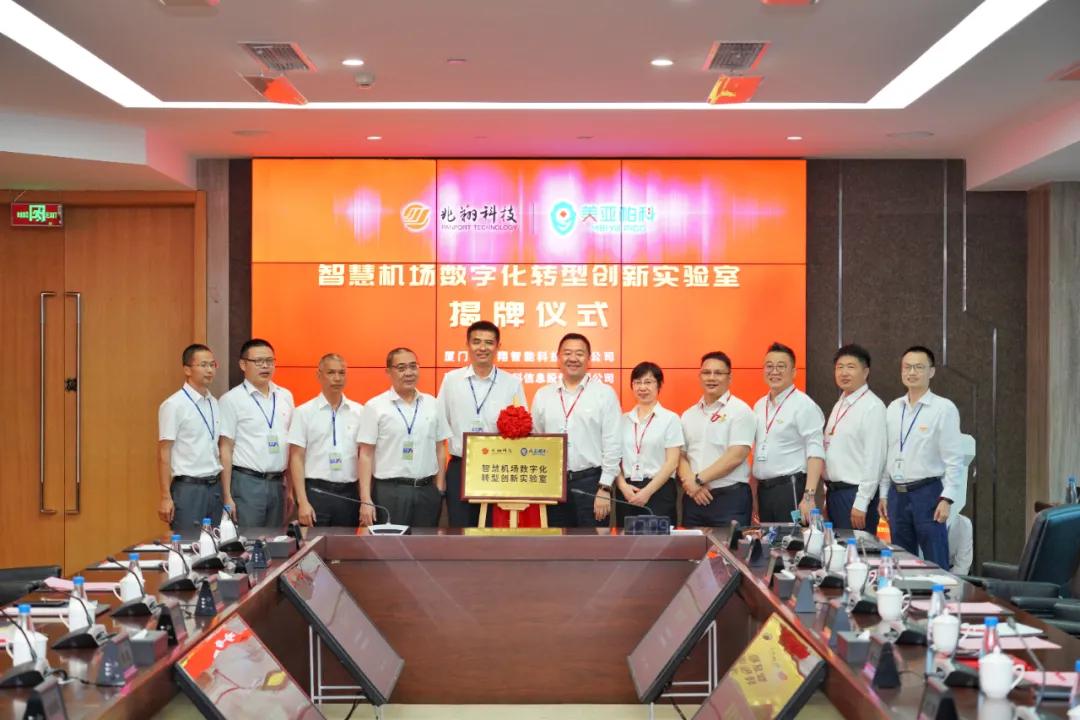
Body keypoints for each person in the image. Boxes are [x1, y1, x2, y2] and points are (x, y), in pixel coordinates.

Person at [880, 345, 964, 569]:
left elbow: (954, 458)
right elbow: (888, 454)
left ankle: (940, 592)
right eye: (907, 367)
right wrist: (883, 493)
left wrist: (947, 499)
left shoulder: (943, 408)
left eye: (919, 367)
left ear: (931, 371)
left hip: (928, 494)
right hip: (897, 495)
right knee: (901, 561)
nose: (912, 372)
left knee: (935, 561)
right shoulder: (893, 408)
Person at [437, 320, 525, 527]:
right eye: (476, 342)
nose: (482, 348)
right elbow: (439, 427)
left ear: (498, 346)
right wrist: (440, 477)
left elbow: (522, 426)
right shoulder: (451, 380)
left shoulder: (511, 383)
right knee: (460, 530)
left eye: (489, 342)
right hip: (460, 466)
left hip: (499, 468)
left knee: (495, 531)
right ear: (467, 345)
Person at [531, 333, 621, 528]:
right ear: (558, 357)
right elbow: (536, 440)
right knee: (556, 542)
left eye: (579, 353)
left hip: (591, 483)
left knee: (593, 543)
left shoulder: (604, 394)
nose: (573, 358)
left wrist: (605, 487)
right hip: (553, 483)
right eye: (567, 353)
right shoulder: (543, 395)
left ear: (589, 359)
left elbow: (613, 443)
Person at [357, 348, 450, 528]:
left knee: (425, 543)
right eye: (401, 368)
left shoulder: (433, 404)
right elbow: (366, 455)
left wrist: (439, 487)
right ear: (388, 371)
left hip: (426, 491)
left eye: (413, 366)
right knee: (391, 544)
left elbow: (440, 447)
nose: (408, 373)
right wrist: (365, 499)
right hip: (390, 492)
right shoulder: (375, 406)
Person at [809, 344, 887, 532]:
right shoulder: (841, 403)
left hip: (855, 496)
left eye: (851, 367)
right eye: (839, 367)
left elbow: (875, 460)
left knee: (856, 549)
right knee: (838, 548)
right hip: (835, 494)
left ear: (865, 372)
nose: (844, 373)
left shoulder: (872, 407)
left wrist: (862, 502)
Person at [219, 338, 295, 529]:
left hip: (278, 483)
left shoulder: (285, 396)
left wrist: (290, 490)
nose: (265, 366)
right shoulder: (231, 400)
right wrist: (227, 495)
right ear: (243, 364)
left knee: (276, 541)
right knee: (249, 540)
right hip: (247, 483)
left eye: (269, 361)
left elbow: (291, 445)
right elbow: (225, 449)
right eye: (258, 361)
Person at [678, 352, 756, 527]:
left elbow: (736, 456)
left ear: (730, 377)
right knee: (690, 545)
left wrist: (698, 480)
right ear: (700, 376)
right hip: (693, 500)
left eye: (718, 373)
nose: (711, 378)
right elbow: (681, 455)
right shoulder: (688, 414)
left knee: (730, 545)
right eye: (706, 373)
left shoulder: (741, 411)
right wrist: (691, 484)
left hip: (730, 500)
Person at [751, 342, 825, 523]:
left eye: (781, 366)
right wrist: (754, 494)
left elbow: (816, 452)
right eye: (769, 366)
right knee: (768, 539)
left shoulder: (804, 405)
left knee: (792, 539)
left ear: (793, 372)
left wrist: (809, 497)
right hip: (764, 490)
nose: (774, 371)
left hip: (790, 489)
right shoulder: (759, 405)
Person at [287, 354, 363, 527]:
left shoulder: (359, 412)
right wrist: (302, 501)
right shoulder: (304, 412)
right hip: (316, 492)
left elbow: (365, 456)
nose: (337, 378)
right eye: (331, 372)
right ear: (319, 375)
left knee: (346, 543)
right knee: (313, 544)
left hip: (349, 493)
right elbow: (296, 458)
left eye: (341, 373)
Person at [157, 344, 224, 531]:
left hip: (214, 487)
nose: (209, 370)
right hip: (188, 488)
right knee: (189, 544)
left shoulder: (214, 402)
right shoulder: (174, 405)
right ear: (187, 369)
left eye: (212, 364)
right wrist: (165, 496)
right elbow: (164, 452)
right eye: (203, 365)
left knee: (215, 545)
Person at [614, 362, 683, 526]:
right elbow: (612, 458)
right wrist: (622, 486)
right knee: (626, 540)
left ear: (659, 385)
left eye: (648, 382)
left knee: (659, 540)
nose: (642, 387)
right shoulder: (622, 420)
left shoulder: (670, 419)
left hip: (659, 491)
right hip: (627, 491)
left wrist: (647, 492)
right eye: (637, 382)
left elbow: (672, 462)